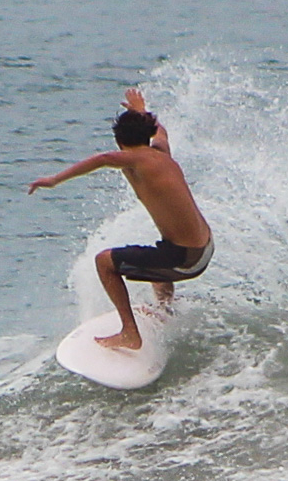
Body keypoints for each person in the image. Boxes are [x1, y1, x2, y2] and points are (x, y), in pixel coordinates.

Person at [29, 88, 212, 350]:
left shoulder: (135, 160)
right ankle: (165, 311)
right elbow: (159, 131)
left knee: (105, 262)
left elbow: (104, 159)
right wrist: (140, 110)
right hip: (203, 248)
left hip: (187, 259)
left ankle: (130, 334)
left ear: (119, 142)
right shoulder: (160, 151)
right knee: (155, 257)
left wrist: (54, 180)